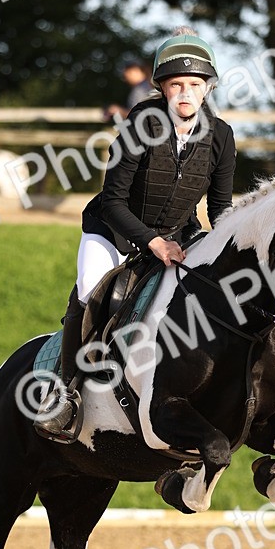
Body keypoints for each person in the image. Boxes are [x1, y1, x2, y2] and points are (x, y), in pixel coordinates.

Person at [34, 28, 236, 439]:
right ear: (161, 87)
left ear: (207, 89)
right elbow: (113, 201)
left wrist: (230, 249)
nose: (185, 93)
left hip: (180, 236)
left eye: (194, 85)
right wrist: (153, 242)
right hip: (114, 231)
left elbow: (220, 209)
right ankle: (67, 394)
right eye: (176, 84)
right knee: (91, 288)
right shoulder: (139, 125)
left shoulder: (222, 137)